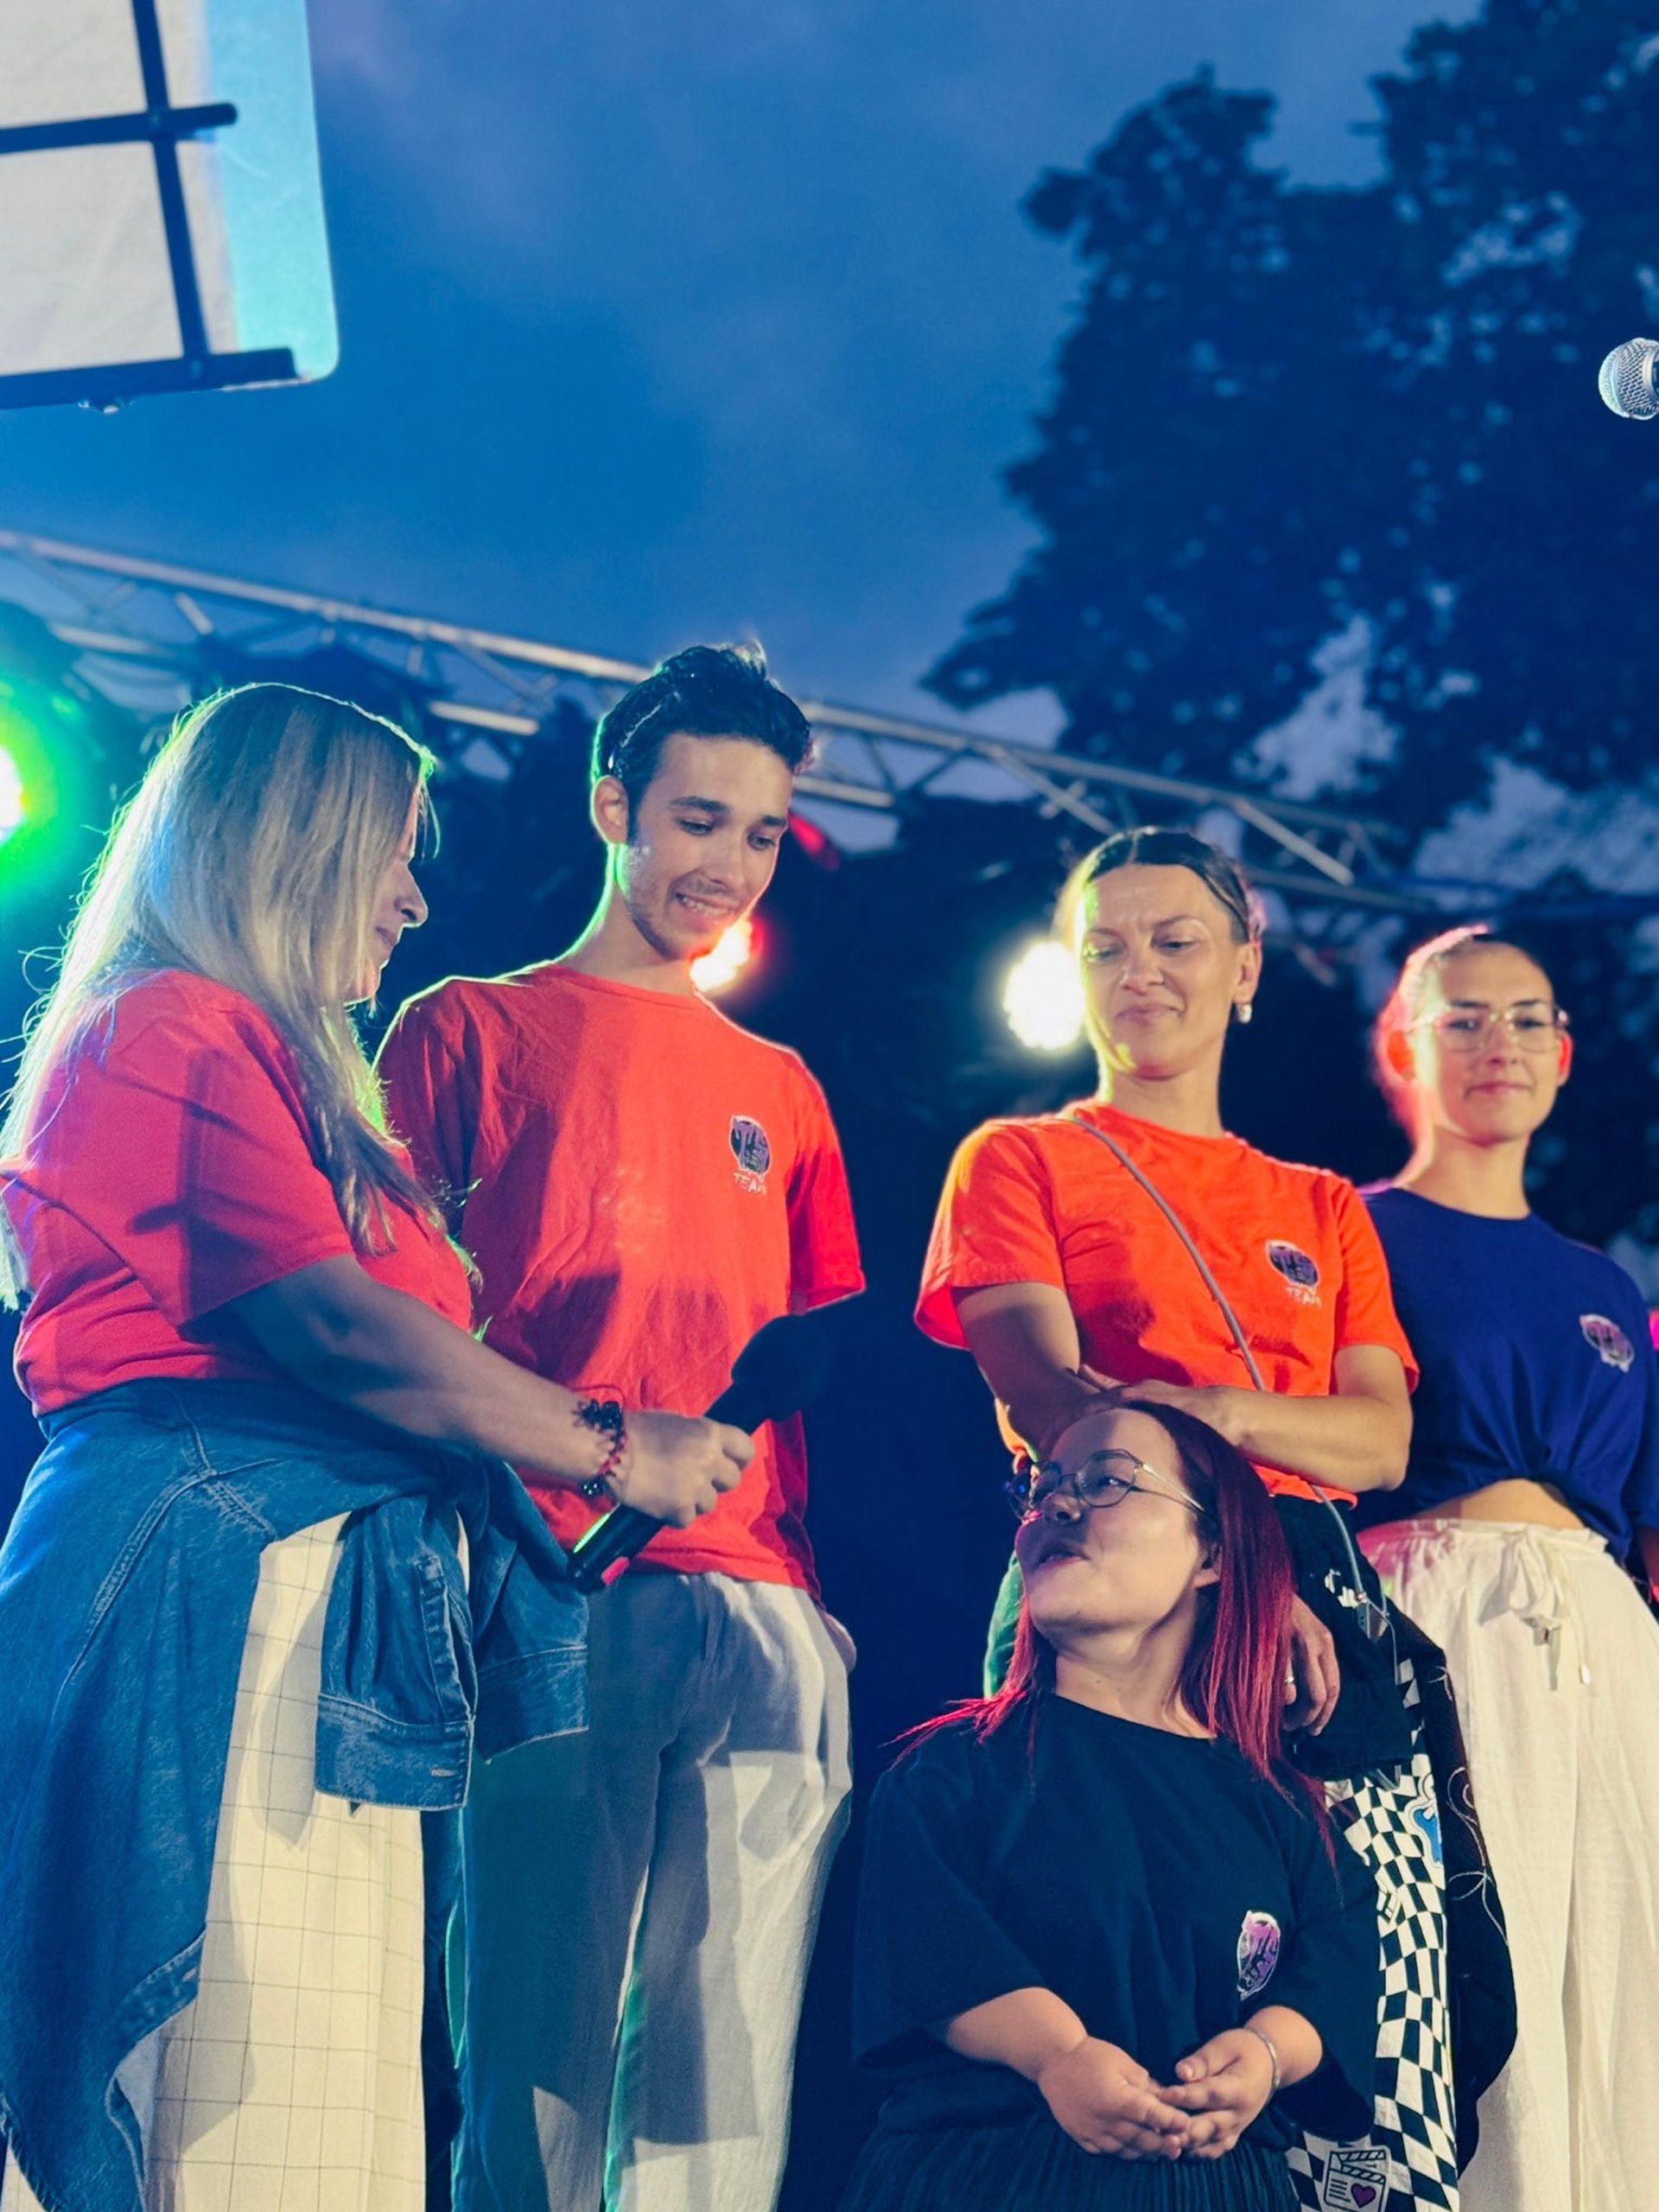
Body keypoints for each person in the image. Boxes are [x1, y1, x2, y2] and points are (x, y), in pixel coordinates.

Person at [0, 684, 749, 2212]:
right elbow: (337, 1329)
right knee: (230, 2115)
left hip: (305, 1607)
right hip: (206, 1590)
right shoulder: (166, 1023)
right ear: (291, 843)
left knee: (306, 2127)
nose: (414, 897)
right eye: (393, 852)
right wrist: (610, 1448)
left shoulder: (269, 1062)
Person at [917, 827, 1472, 2212]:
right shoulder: (1021, 1158)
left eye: (1176, 941)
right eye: (1105, 946)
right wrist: (1247, 1496)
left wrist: (1203, 1413)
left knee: (1356, 1983)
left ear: (1246, 968)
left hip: (1322, 1617)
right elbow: (1054, 1399)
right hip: (1112, 1593)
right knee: (1090, 1976)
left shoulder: (1321, 1205)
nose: (1141, 971)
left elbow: (1380, 1441)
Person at [377, 643, 864, 2212]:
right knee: (537, 2067)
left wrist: (813, 1607)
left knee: (725, 2098)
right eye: (698, 820)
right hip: (547, 1591)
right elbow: (390, 1331)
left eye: (762, 833)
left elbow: (806, 1364)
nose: (729, 864)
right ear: (613, 806)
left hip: (761, 1603)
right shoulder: (465, 1028)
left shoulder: (784, 1088)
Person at [841, 1399, 1380, 2212]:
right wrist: (1058, 2055)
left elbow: (1335, 1968)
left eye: (1108, 1482)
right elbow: (932, 1950)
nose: (1057, 1505)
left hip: (1214, 2186)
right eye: (1044, 1488)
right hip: (991, 2174)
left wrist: (1265, 2056)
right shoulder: (953, 1771)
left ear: (1212, 1553)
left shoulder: (1287, 1811)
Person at [1357, 925, 1659, 2212]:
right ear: (1404, 1048)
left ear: (1565, 1053)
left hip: (1601, 1635)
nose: (1502, 1045)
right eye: (1465, 1018)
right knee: (1475, 1955)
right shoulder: (1355, 1229)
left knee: (1617, 1964)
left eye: (1529, 1018)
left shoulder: (1604, 1284)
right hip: (1431, 1609)